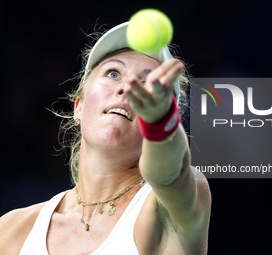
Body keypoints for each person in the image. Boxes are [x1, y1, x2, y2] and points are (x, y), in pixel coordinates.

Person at [0, 21, 211, 254]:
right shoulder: (11, 231)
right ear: (78, 106)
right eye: (113, 73)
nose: (127, 88)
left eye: (148, 84)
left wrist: (161, 124)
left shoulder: (167, 211)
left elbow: (170, 174)